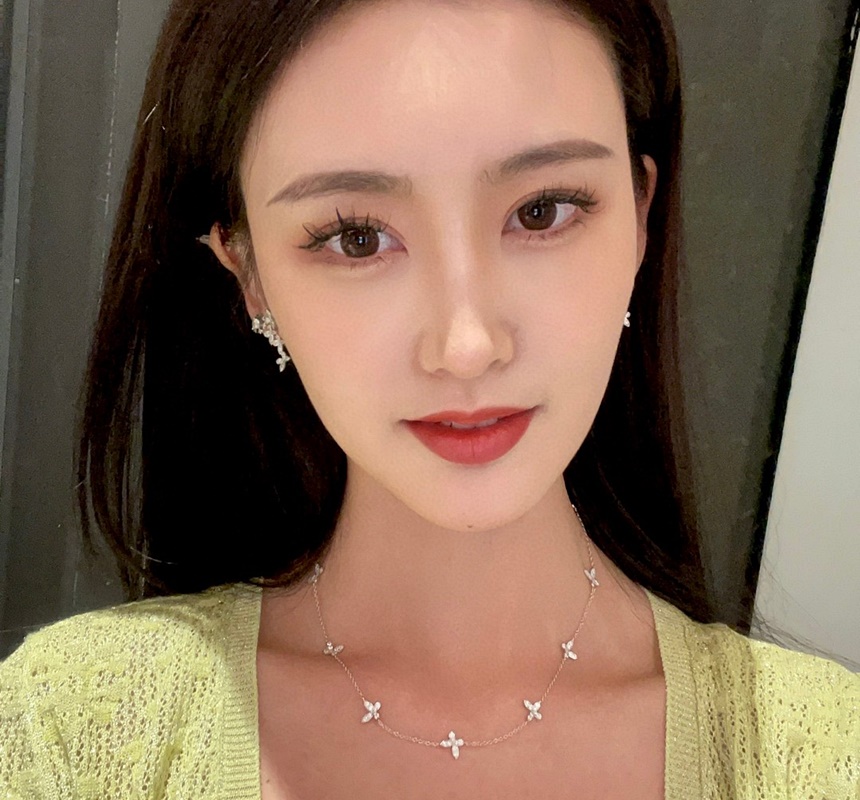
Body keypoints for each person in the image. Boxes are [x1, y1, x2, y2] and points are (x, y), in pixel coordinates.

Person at [1, 0, 857, 797]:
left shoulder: (825, 760)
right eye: (355, 237)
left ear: (639, 215)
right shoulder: (66, 738)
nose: (466, 344)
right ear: (247, 269)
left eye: (543, 211)